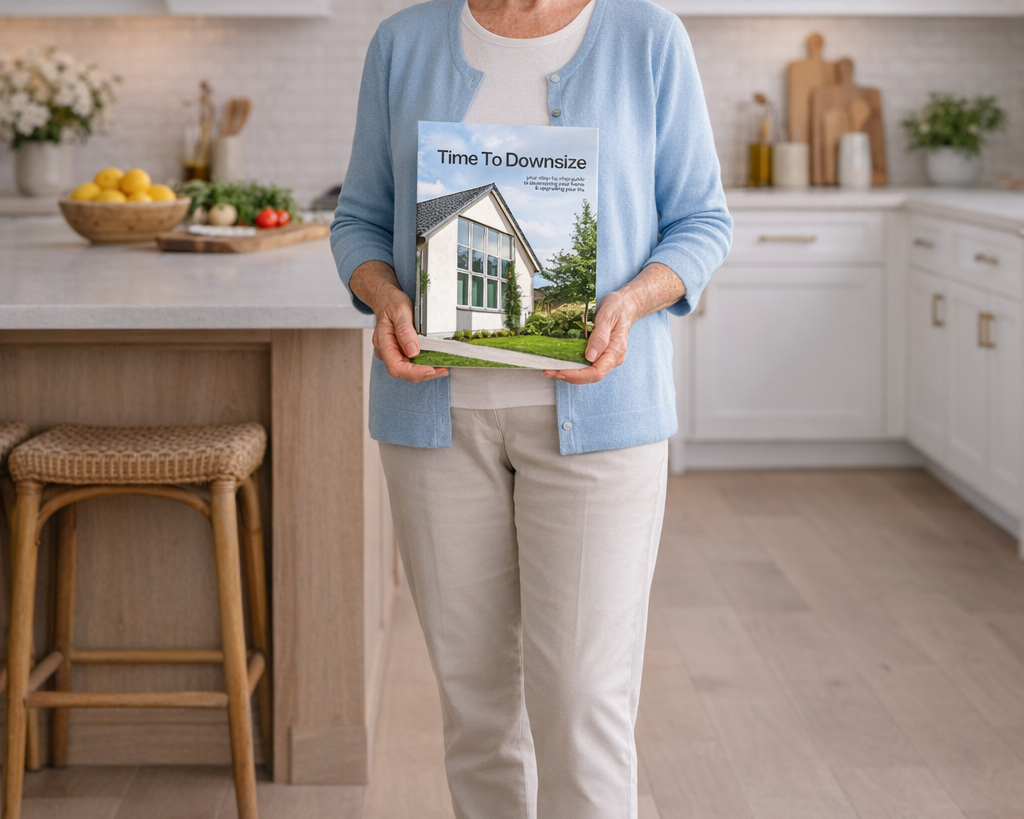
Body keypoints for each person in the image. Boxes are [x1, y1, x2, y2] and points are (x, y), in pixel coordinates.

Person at [331, 0, 732, 816]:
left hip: (602, 423)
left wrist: (630, 301)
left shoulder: (646, 36)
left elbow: (701, 222)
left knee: (583, 701)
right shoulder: (403, 43)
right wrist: (384, 296)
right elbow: (359, 222)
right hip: (436, 426)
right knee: (475, 708)